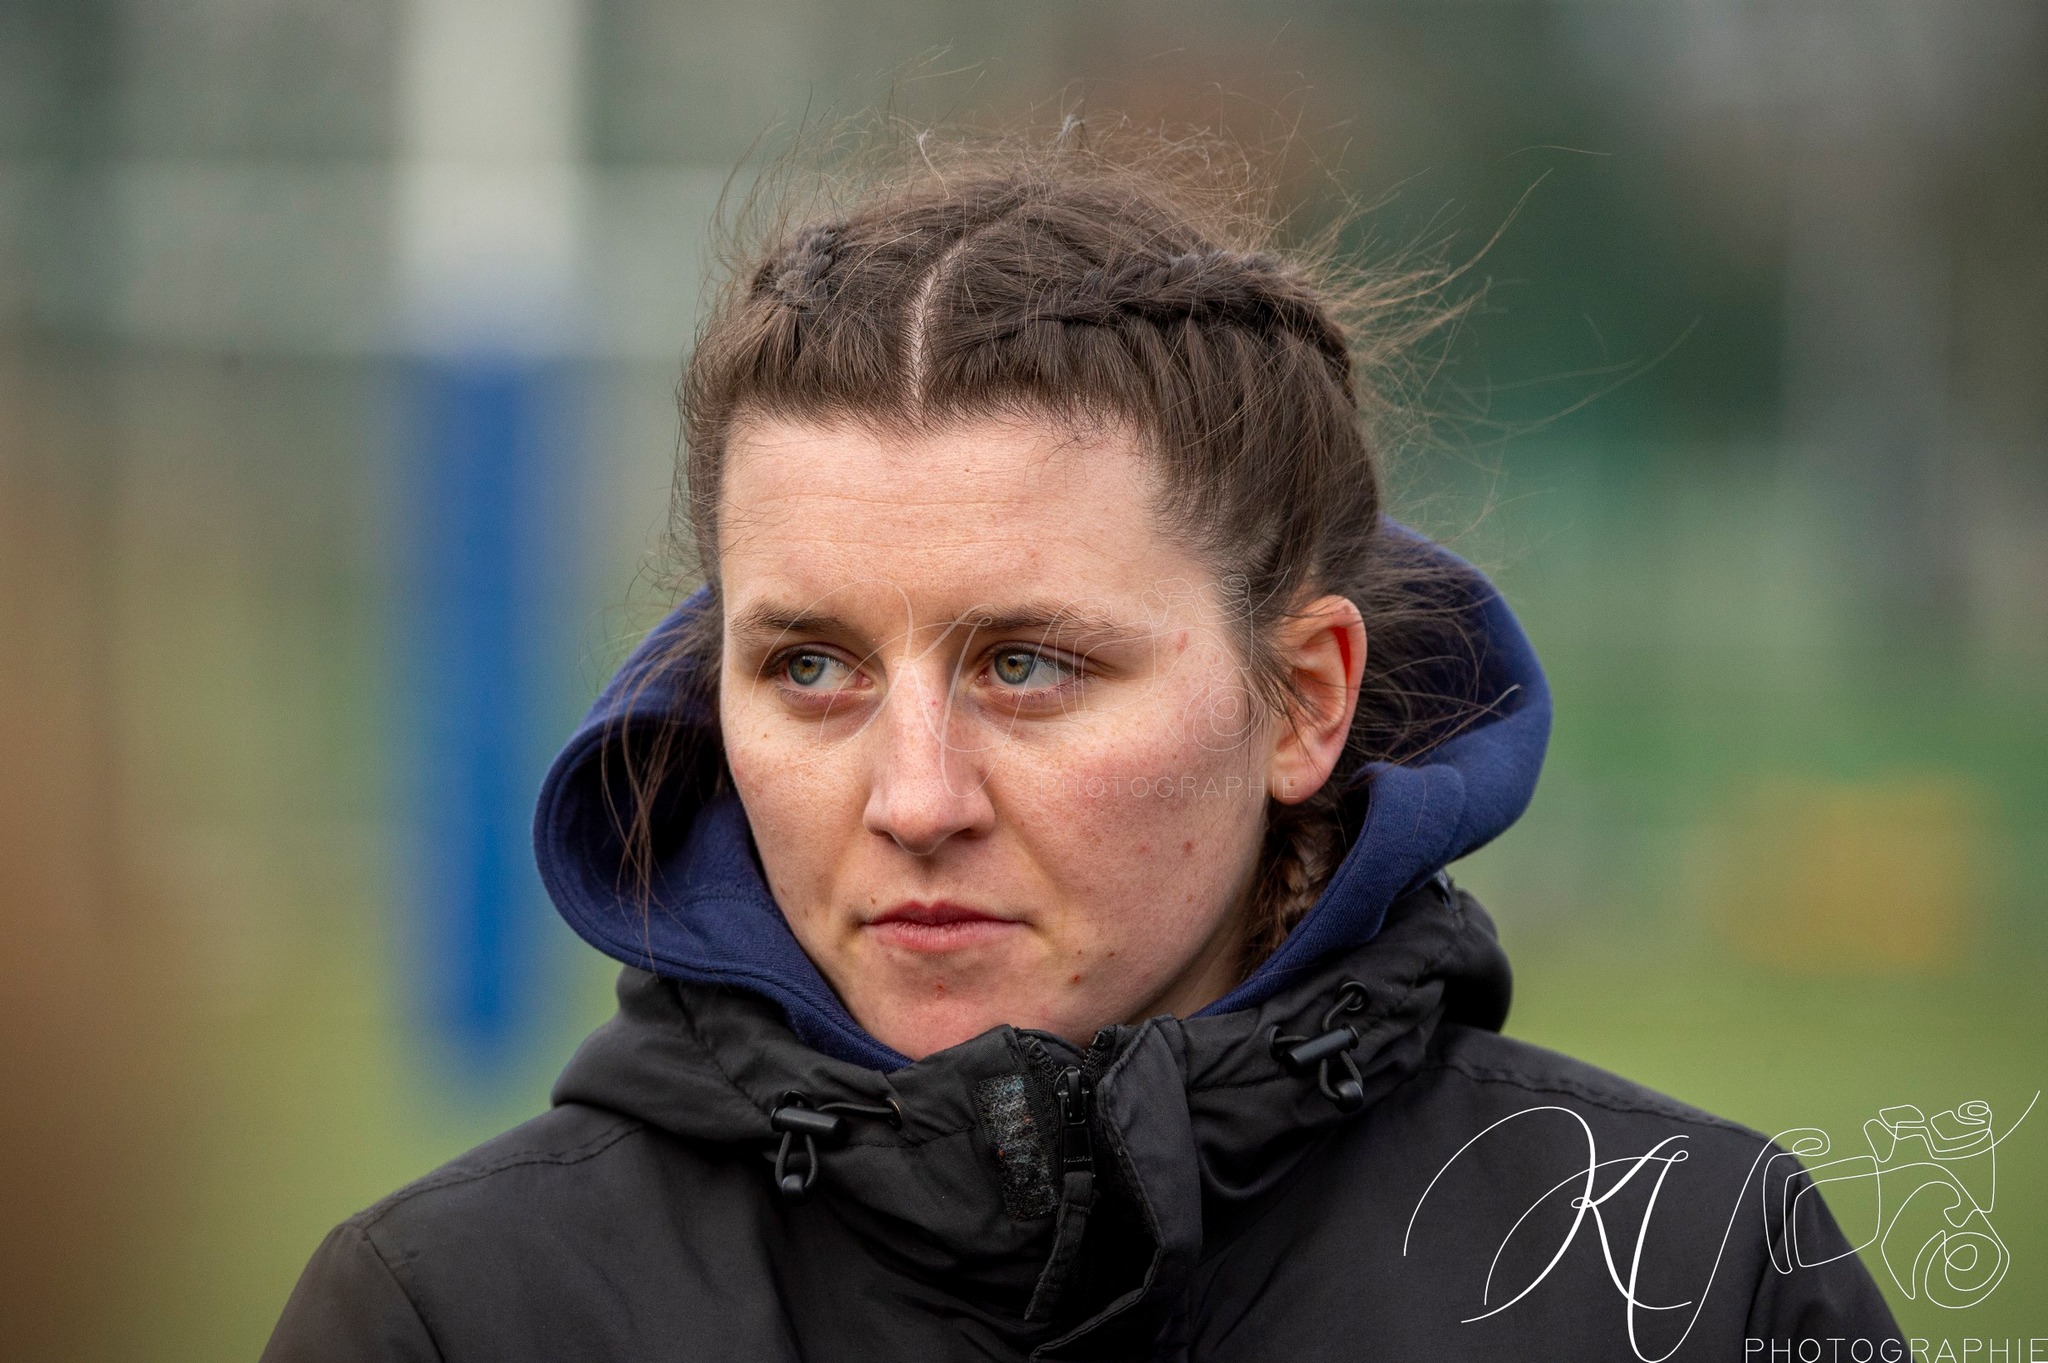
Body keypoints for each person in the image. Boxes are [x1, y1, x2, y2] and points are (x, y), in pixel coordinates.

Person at [264, 124, 1902, 1362]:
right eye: (813, 667)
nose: (915, 800)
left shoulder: (1688, 1280)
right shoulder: (458, 1316)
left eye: (1030, 665)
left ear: (1304, 701)